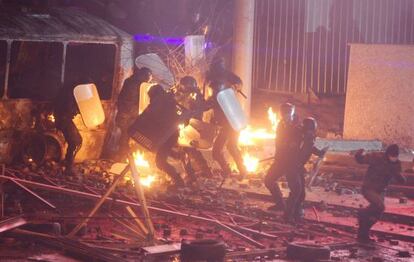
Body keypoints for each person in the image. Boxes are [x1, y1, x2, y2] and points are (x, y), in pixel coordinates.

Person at [205, 56, 247, 179]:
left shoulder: (228, 78)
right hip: (225, 123)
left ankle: (241, 170)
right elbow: (210, 102)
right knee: (217, 151)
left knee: (230, 146)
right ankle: (228, 170)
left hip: (232, 119)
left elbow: (239, 83)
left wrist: (236, 87)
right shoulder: (213, 87)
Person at [354, 144, 406, 242]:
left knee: (377, 213)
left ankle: (363, 233)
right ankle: (362, 214)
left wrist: (401, 178)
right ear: (387, 154)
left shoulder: (396, 164)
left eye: (395, 156)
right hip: (369, 188)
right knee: (380, 206)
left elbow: (397, 175)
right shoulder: (377, 157)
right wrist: (358, 154)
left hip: (381, 191)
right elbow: (361, 160)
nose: (393, 158)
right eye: (392, 155)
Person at [264, 102, 302, 213]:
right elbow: (279, 141)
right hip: (280, 160)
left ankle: (292, 210)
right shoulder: (281, 124)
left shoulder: (298, 126)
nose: (285, 115)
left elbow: (299, 143)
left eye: (288, 112)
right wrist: (278, 153)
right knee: (269, 180)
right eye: (283, 113)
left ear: (292, 112)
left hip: (291, 162)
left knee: (296, 189)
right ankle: (280, 203)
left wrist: (291, 145)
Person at [289, 117, 327, 222]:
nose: (312, 132)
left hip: (298, 167)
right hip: (292, 167)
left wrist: (320, 153)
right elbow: (300, 149)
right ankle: (288, 215)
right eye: (311, 129)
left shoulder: (307, 138)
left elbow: (310, 147)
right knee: (296, 191)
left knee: (301, 193)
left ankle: (297, 211)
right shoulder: (299, 137)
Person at [175, 76, 212, 181]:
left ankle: (193, 174)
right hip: (192, 125)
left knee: (187, 149)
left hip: (190, 126)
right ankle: (202, 171)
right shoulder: (197, 95)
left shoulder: (193, 95)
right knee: (188, 150)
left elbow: (184, 107)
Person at [147, 84, 185, 187]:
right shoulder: (167, 102)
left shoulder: (162, 105)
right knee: (161, 158)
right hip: (168, 136)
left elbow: (160, 121)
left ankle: (179, 182)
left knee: (160, 162)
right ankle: (177, 173)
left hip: (168, 136)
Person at [115, 67, 152, 160]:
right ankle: (124, 158)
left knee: (125, 136)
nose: (150, 78)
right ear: (145, 75)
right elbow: (132, 102)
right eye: (150, 76)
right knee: (128, 136)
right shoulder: (139, 85)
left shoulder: (130, 81)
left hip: (125, 113)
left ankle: (124, 157)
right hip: (129, 115)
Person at [54, 77, 83, 176]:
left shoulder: (68, 91)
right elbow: (66, 109)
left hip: (64, 119)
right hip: (63, 119)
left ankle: (68, 162)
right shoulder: (68, 94)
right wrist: (74, 110)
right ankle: (69, 167)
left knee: (77, 141)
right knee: (75, 141)